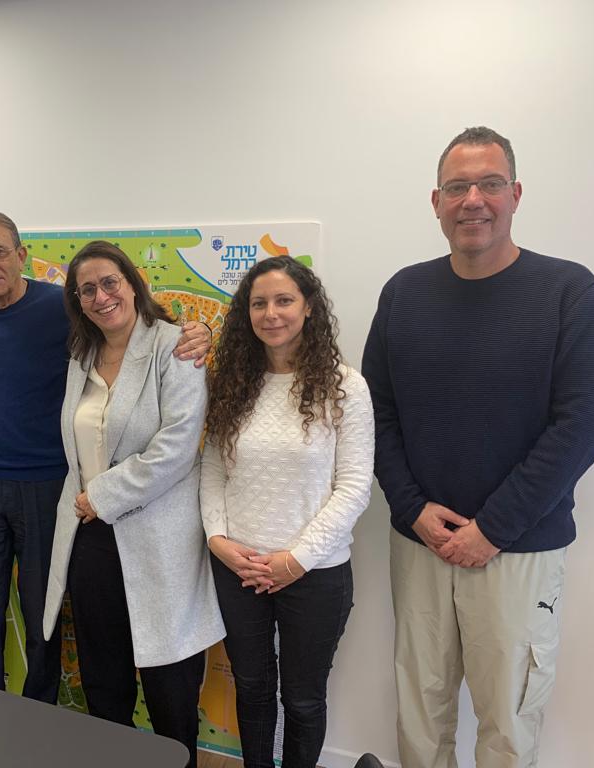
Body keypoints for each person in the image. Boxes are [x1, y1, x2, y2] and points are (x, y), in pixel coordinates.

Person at [362, 126, 594, 768]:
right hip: (420, 542)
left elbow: (582, 426)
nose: (472, 199)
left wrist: (492, 529)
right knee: (420, 712)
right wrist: (412, 509)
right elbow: (375, 414)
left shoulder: (570, 291)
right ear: (436, 202)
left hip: (518, 547)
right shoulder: (403, 293)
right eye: (457, 187)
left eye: (489, 184)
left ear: (515, 194)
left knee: (508, 720)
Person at [0, 212, 212, 703]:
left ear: (21, 256)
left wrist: (200, 330)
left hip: (49, 486)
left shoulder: (61, 306)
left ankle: (39, 711)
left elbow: (129, 324)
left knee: (42, 607)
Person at [42, 241, 224, 767]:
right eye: (87, 290)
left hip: (157, 539)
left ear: (133, 282)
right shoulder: (81, 356)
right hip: (91, 538)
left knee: (170, 687)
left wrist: (102, 496)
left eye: (109, 283)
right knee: (104, 679)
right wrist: (90, 506)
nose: (101, 297)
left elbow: (177, 448)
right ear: (78, 302)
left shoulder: (175, 346)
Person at [200, 256, 374, 768]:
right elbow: (212, 469)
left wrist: (294, 560)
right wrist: (218, 541)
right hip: (238, 569)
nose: (270, 313)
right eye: (259, 303)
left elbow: (354, 487)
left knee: (302, 699)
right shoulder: (234, 384)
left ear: (309, 307)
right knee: (252, 689)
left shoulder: (345, 388)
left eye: (283, 300)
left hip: (314, 573)